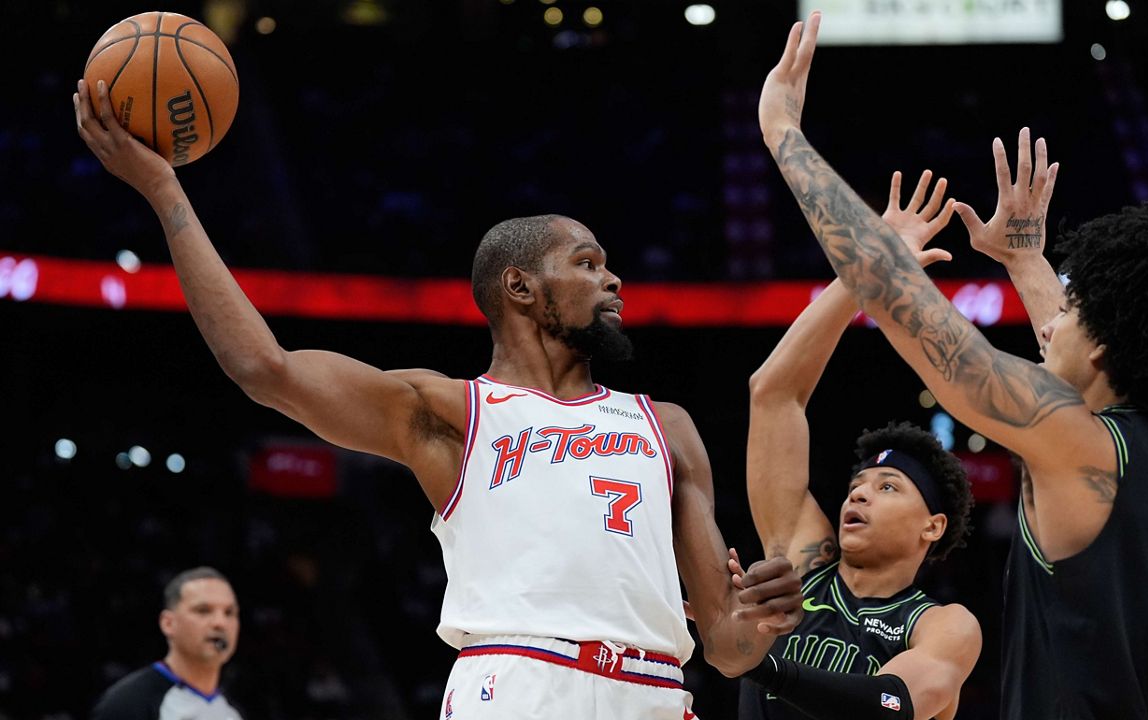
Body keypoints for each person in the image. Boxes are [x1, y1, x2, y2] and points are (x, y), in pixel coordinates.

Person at [74, 76, 802, 719]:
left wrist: (763, 618)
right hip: (521, 685)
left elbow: (730, 647)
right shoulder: (448, 412)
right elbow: (264, 368)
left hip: (655, 691)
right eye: (587, 264)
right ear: (519, 286)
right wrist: (166, 191)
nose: (613, 281)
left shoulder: (667, 427)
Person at [758, 12, 1148, 720]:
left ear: (1109, 343)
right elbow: (1076, 359)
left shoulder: (1085, 447)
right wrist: (1025, 258)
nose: (1051, 319)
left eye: (1073, 303)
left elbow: (896, 299)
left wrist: (783, 134)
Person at [734, 170, 980, 720]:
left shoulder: (942, 625)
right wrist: (864, 272)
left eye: (887, 487)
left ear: (932, 526)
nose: (859, 497)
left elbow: (885, 707)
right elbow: (773, 395)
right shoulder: (802, 562)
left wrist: (748, 659)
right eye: (858, 486)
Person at [90, 567, 243, 720]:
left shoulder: (236, 710)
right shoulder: (128, 704)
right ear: (168, 624)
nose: (220, 623)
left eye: (229, 613)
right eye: (203, 610)